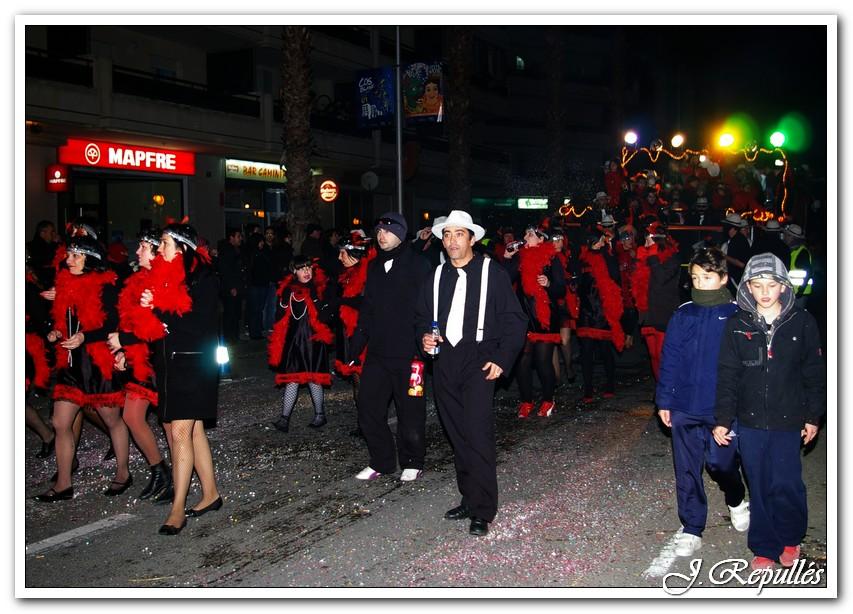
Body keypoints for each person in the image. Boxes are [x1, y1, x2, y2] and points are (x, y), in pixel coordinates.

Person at [415, 210, 527, 536]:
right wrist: (423, 337)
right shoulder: (435, 276)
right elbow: (422, 317)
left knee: (477, 434)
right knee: (457, 434)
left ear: (472, 238)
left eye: (458, 234)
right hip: (445, 360)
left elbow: (515, 320)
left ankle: (483, 508)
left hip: (480, 359)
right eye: (447, 234)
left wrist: (502, 359)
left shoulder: (494, 272)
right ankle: (468, 496)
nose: (451, 241)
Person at [713, 253, 825, 570]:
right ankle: (763, 545)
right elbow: (727, 374)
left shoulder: (802, 322)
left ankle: (790, 536)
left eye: (772, 284)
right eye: (757, 284)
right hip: (749, 422)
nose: (764, 292)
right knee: (759, 484)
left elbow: (814, 372)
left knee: (786, 482)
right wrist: (722, 419)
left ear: (783, 287)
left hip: (788, 420)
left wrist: (812, 416)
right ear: (747, 287)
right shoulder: (737, 325)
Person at [656, 247, 749, 557]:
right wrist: (664, 400)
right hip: (684, 405)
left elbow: (746, 366)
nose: (699, 283)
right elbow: (670, 358)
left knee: (721, 464)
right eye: (695, 277)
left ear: (722, 278)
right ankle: (692, 527)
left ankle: (735, 497)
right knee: (686, 469)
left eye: (707, 277)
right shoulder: (683, 313)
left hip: (721, 407)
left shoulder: (738, 315)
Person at [35, 236, 131, 503]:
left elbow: (113, 323)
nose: (69, 260)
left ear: (91, 260)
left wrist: (84, 337)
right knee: (59, 422)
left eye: (76, 255)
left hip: (96, 363)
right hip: (70, 363)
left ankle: (123, 472)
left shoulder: (106, 286)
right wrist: (56, 332)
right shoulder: (64, 284)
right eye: (69, 255)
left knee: (112, 420)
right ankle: (64, 483)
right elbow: (62, 319)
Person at [146, 223, 222, 535]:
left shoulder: (203, 278)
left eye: (163, 243)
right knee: (194, 432)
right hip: (170, 366)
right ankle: (211, 493)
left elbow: (200, 324)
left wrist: (160, 311)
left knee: (180, 432)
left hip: (197, 365)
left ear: (182, 248)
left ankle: (178, 509)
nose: (158, 248)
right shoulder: (159, 275)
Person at [348, 212, 432, 481]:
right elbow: (368, 310)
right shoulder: (373, 267)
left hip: (411, 354)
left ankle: (413, 460)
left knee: (410, 410)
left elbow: (430, 307)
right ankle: (382, 461)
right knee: (368, 407)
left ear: (401, 233)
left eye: (388, 230)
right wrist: (355, 345)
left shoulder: (419, 265)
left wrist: (426, 341)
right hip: (379, 352)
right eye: (379, 230)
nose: (382, 235)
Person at [108, 227, 188, 503]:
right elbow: (130, 322)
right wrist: (124, 351)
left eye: (144, 247)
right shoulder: (136, 280)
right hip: (138, 356)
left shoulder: (160, 280)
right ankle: (160, 470)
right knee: (132, 416)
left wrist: (124, 343)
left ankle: (177, 480)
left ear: (156, 252)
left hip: (157, 359)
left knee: (169, 423)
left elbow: (156, 326)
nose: (138, 251)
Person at [502, 224, 565, 418]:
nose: (526, 236)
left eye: (530, 234)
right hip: (524, 316)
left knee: (542, 361)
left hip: (544, 316)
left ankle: (548, 399)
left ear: (541, 240)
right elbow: (503, 279)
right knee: (522, 361)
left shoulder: (552, 259)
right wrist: (506, 258)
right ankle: (526, 401)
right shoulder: (519, 257)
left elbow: (561, 290)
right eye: (526, 233)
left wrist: (549, 284)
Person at [267, 255, 335, 432]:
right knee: (292, 379)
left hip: (313, 342)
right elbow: (279, 319)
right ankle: (284, 419)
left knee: (314, 379)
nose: (306, 271)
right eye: (301, 268)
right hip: (294, 342)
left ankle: (320, 414)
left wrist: (315, 298)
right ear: (294, 271)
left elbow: (326, 317)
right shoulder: (287, 291)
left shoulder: (319, 288)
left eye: (308, 267)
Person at [333, 233, 376, 437]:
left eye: (342, 253)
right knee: (357, 379)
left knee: (366, 380)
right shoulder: (347, 273)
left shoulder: (368, 273)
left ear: (354, 254)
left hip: (366, 335)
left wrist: (341, 302)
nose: (339, 258)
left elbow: (366, 303)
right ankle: (364, 422)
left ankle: (370, 423)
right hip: (351, 332)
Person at [575, 231, 625, 402]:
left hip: (602, 311)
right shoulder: (581, 259)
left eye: (601, 241)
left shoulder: (608, 257)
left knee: (605, 351)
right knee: (586, 352)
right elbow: (577, 281)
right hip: (586, 311)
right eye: (597, 241)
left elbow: (616, 279)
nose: (599, 244)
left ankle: (610, 384)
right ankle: (588, 389)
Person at [632, 222, 682, 382]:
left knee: (662, 354)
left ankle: (667, 388)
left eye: (648, 240)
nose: (645, 243)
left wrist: (652, 255)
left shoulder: (672, 258)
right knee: (653, 355)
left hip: (664, 312)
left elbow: (661, 278)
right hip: (648, 312)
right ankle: (660, 386)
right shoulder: (647, 257)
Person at [217, 227, 246, 344]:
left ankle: (234, 336)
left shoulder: (236, 250)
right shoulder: (227, 251)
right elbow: (225, 271)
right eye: (238, 236)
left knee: (236, 313)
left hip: (237, 286)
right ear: (231, 238)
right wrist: (231, 287)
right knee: (230, 313)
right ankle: (229, 338)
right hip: (230, 288)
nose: (240, 239)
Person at [781, 223, 813, 309]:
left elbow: (808, 273)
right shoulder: (791, 250)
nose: (784, 237)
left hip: (798, 295)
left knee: (797, 319)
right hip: (792, 293)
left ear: (792, 237)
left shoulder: (802, 253)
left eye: (786, 235)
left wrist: (800, 292)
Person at [720, 213, 752, 291]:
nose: (723, 228)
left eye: (725, 226)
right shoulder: (734, 240)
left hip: (736, 280)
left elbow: (741, 264)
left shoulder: (738, 241)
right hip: (733, 279)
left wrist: (723, 255)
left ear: (732, 228)